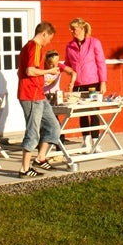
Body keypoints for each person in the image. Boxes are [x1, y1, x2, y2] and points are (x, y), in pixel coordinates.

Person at [16, 21, 61, 177]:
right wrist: (49, 71)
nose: (49, 41)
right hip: (31, 95)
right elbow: (30, 70)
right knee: (33, 131)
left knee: (53, 126)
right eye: (49, 37)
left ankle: (40, 157)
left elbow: (20, 72)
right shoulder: (35, 47)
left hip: (38, 94)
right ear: (44, 34)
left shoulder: (30, 47)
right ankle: (24, 168)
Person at [64, 17, 107, 152]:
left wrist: (103, 82)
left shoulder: (94, 43)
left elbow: (101, 63)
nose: (71, 31)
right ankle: (86, 141)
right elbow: (67, 65)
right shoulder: (69, 46)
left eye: (74, 28)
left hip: (93, 83)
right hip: (78, 85)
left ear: (82, 28)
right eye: (71, 29)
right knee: (82, 113)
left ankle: (95, 141)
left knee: (93, 111)